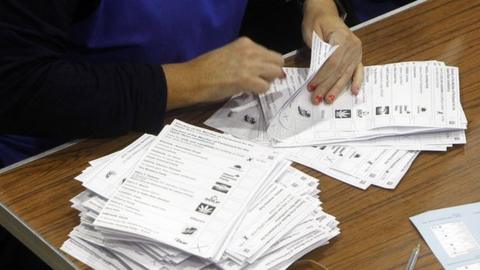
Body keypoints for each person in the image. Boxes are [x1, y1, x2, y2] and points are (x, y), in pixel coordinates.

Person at [0, 0, 362, 268]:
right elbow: (18, 84)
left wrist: (320, 9)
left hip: (198, 125)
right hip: (58, 157)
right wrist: (189, 81)